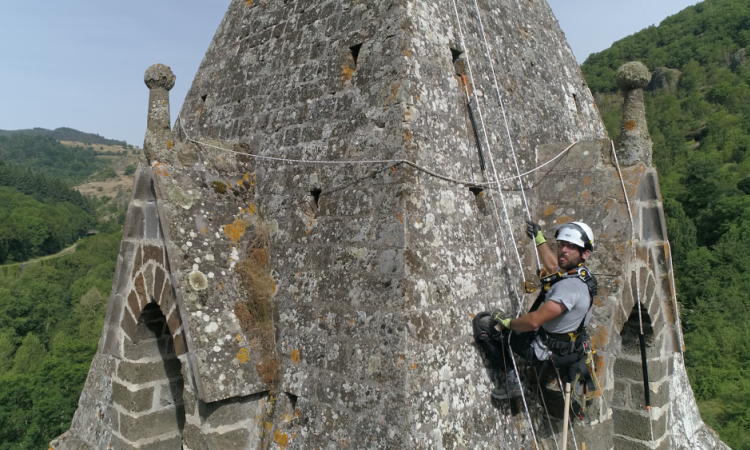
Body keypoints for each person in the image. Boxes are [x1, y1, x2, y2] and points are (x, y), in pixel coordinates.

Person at [472, 220, 597, 400]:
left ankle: (513, 382)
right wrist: (539, 240)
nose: (564, 250)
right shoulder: (583, 276)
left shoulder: (568, 289)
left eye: (571, 247)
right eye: (562, 245)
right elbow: (555, 266)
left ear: (584, 253)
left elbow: (533, 322)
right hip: (574, 348)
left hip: (550, 351)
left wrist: (508, 322)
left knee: (484, 325)